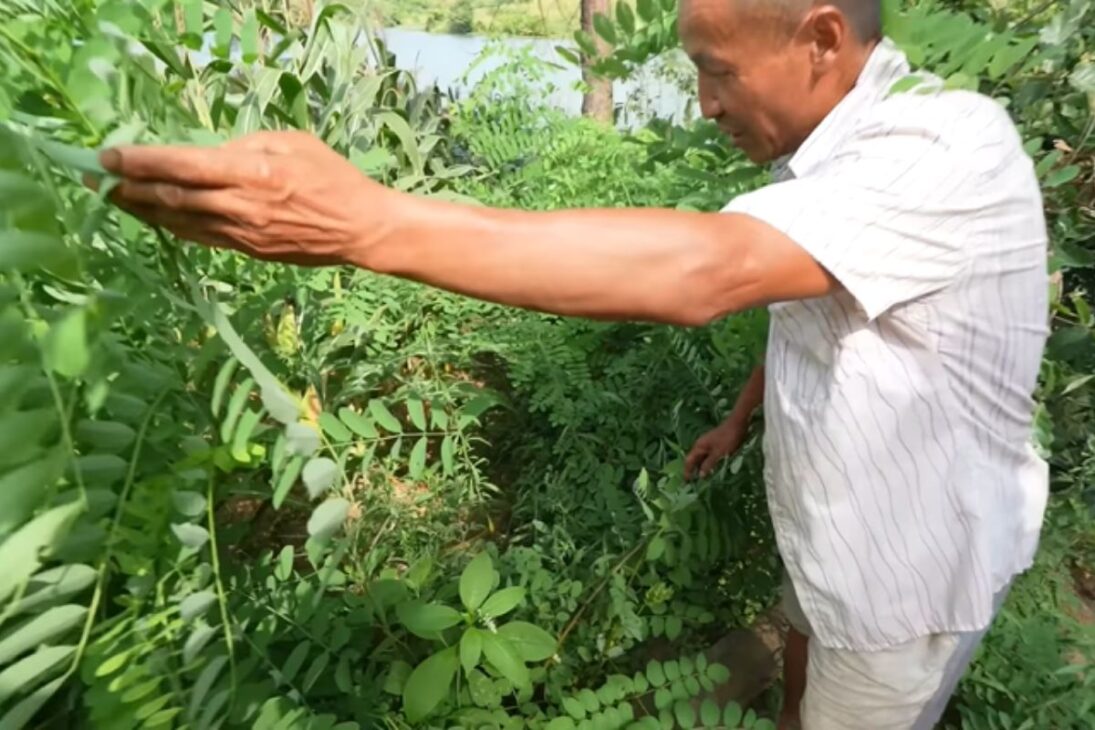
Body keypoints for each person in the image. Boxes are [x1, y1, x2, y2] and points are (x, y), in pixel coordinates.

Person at [97, 0, 1051, 727]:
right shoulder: (825, 155)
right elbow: (810, 295)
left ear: (820, 39)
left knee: (853, 679)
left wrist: (366, 222)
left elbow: (705, 270)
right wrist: (741, 413)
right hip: (836, 535)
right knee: (806, 645)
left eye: (715, 70)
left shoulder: (945, 146)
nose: (705, 101)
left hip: (909, 573)